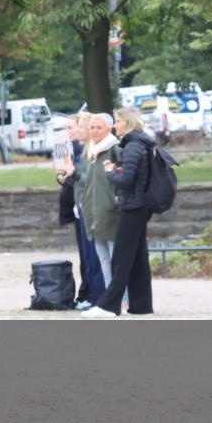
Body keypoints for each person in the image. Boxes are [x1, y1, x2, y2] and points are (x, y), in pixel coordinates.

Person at [83, 107, 156, 318]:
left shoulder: (132, 146)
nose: (116, 125)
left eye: (117, 121)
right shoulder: (140, 143)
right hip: (139, 207)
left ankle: (109, 306)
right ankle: (141, 305)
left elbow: (125, 180)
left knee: (120, 259)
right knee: (139, 259)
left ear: (128, 123)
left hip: (133, 207)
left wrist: (110, 172)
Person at [57, 114, 104, 309]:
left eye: (72, 128)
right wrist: (65, 176)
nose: (69, 132)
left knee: (94, 255)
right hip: (80, 206)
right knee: (87, 255)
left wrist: (73, 174)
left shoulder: (92, 151)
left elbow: (92, 180)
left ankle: (96, 296)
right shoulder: (79, 150)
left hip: (90, 207)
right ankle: (90, 294)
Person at [78, 113, 121, 301]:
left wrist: (115, 202)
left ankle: (121, 298)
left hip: (110, 212)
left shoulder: (116, 149)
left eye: (99, 127)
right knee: (103, 259)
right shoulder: (91, 152)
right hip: (93, 213)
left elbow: (120, 179)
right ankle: (107, 298)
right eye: (92, 127)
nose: (94, 131)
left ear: (109, 129)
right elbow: (89, 183)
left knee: (115, 260)